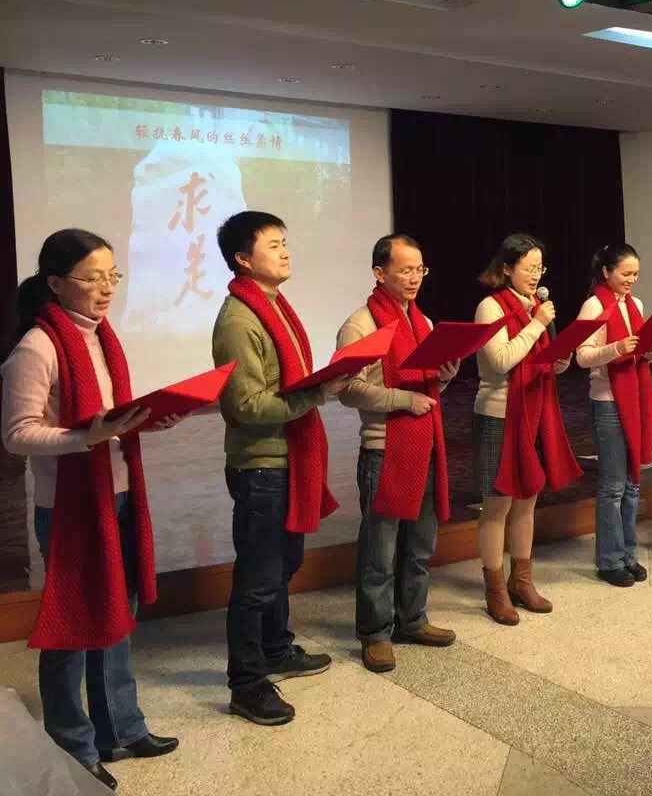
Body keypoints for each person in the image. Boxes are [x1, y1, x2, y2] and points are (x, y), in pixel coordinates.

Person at [2, 229, 182, 791]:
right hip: (69, 506)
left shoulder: (104, 337)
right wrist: (86, 438)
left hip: (118, 493)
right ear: (56, 283)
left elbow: (108, 418)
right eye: (92, 278)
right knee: (72, 625)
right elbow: (17, 434)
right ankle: (72, 744)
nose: (106, 288)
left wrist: (150, 419)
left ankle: (120, 728)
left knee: (118, 614)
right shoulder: (38, 346)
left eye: (112, 276)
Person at [212, 211, 347, 726]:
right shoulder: (239, 319)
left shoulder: (273, 305)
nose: (285, 251)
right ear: (243, 259)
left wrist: (320, 386)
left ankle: (275, 648)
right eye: (273, 244)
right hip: (262, 464)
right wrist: (317, 393)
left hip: (288, 457)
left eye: (284, 242)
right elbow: (246, 406)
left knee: (283, 565)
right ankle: (246, 684)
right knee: (257, 579)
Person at [337, 235, 460, 674]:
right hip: (384, 449)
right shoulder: (361, 324)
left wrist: (445, 376)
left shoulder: (421, 320)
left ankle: (413, 619)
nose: (414, 278)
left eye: (419, 269)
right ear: (379, 272)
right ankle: (375, 633)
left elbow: (427, 384)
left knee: (419, 545)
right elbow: (346, 389)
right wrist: (403, 400)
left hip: (424, 443)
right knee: (380, 550)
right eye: (405, 270)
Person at [472, 233, 578, 624]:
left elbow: (536, 360)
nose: (535, 275)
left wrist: (559, 360)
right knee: (497, 503)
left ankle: (522, 579)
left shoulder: (536, 306)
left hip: (533, 411)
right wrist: (537, 324)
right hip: (499, 414)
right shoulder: (490, 307)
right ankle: (495, 589)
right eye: (528, 268)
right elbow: (502, 360)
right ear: (506, 268)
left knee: (527, 498)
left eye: (540, 268)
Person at [575, 244, 652, 587]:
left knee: (632, 483)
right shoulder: (594, 305)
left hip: (635, 396)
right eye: (625, 273)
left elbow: (638, 347)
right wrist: (617, 349)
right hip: (608, 400)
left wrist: (647, 352)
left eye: (635, 274)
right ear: (607, 272)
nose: (631, 280)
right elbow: (582, 356)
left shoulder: (636, 304)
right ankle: (609, 561)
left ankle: (628, 554)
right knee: (612, 485)